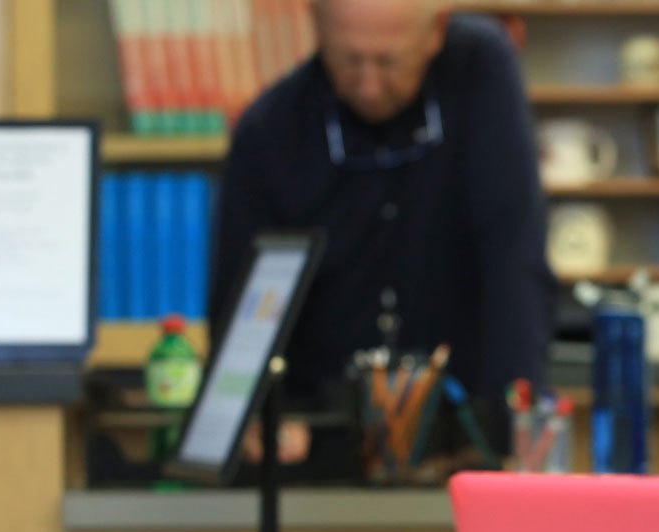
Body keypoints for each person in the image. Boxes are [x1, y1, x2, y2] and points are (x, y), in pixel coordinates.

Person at [208, 0, 552, 467]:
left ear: (435, 33)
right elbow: (238, 308)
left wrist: (512, 429)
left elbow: (513, 257)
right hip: (322, 442)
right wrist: (255, 415)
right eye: (349, 60)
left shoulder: (481, 71)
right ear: (316, 27)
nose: (369, 85)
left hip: (467, 431)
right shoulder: (267, 132)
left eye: (389, 62)